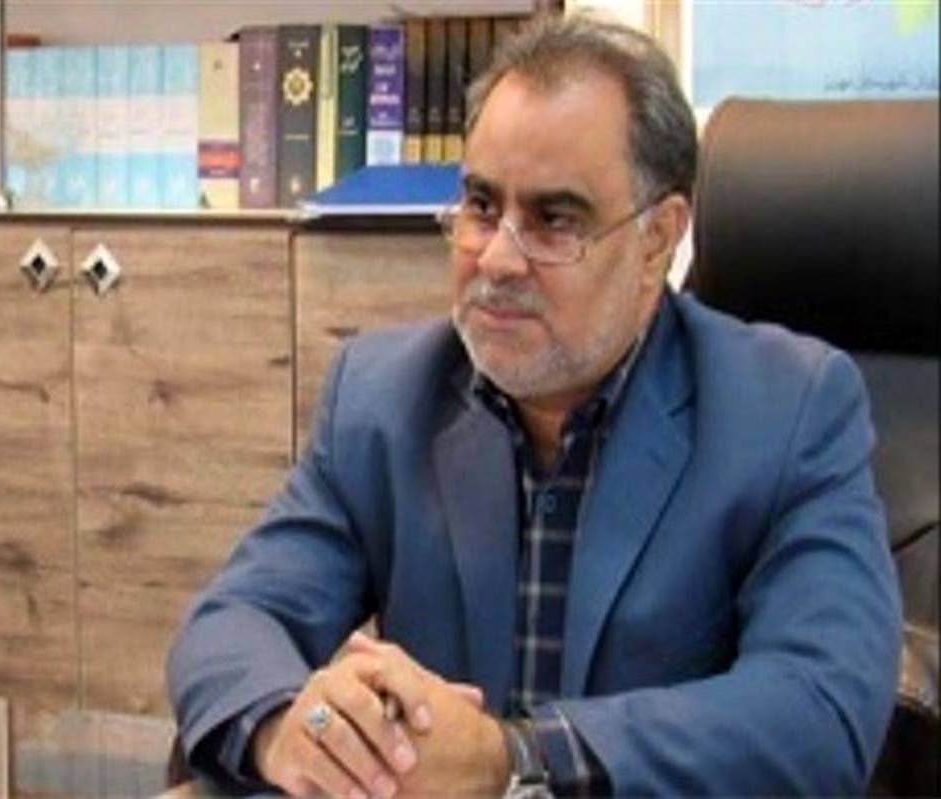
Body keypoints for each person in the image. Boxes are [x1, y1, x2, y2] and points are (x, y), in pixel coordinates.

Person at [167, 14, 900, 797]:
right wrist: (293, 730)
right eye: (481, 207)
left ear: (658, 239)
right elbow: (234, 621)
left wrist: (513, 757)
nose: (498, 258)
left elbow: (819, 712)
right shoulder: (381, 396)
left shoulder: (789, 409)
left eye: (554, 221)